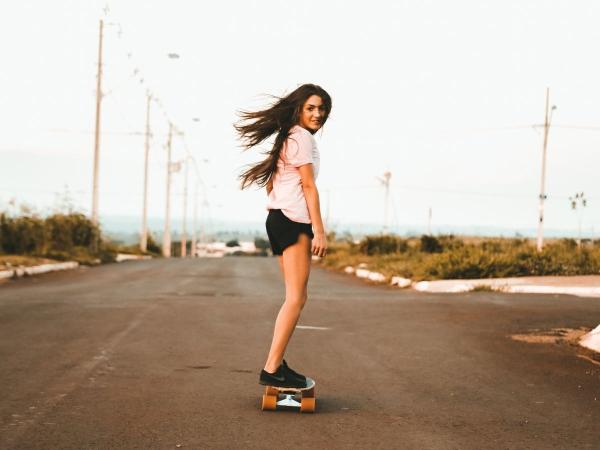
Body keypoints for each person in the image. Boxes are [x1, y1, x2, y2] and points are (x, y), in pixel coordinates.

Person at [235, 83, 332, 388]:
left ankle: (276, 363)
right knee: (296, 298)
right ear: (299, 109)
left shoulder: (288, 135)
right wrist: (319, 230)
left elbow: (272, 183)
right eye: (311, 108)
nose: (318, 114)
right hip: (293, 221)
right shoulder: (300, 137)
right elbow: (307, 186)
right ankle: (272, 367)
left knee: (294, 296)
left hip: (278, 219)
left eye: (322, 108)